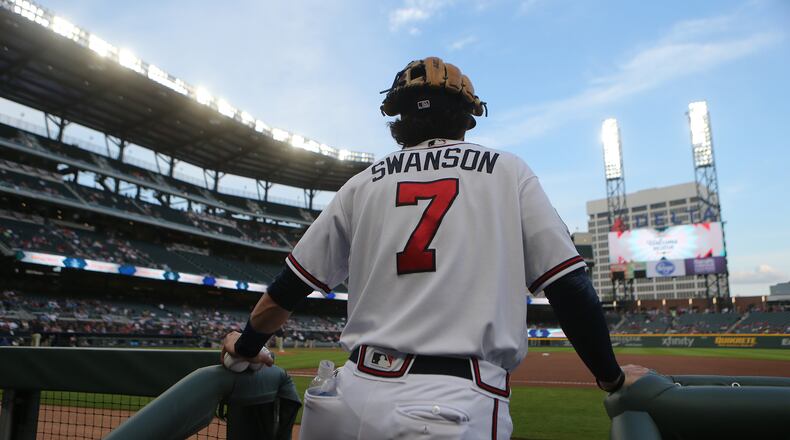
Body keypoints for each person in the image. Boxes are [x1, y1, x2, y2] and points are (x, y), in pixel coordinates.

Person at [222, 56, 648, 439]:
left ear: (398, 118)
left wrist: (244, 350)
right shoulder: (507, 171)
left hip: (347, 398)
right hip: (450, 405)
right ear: (467, 117)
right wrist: (611, 377)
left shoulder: (361, 185)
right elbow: (567, 285)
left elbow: (286, 291)